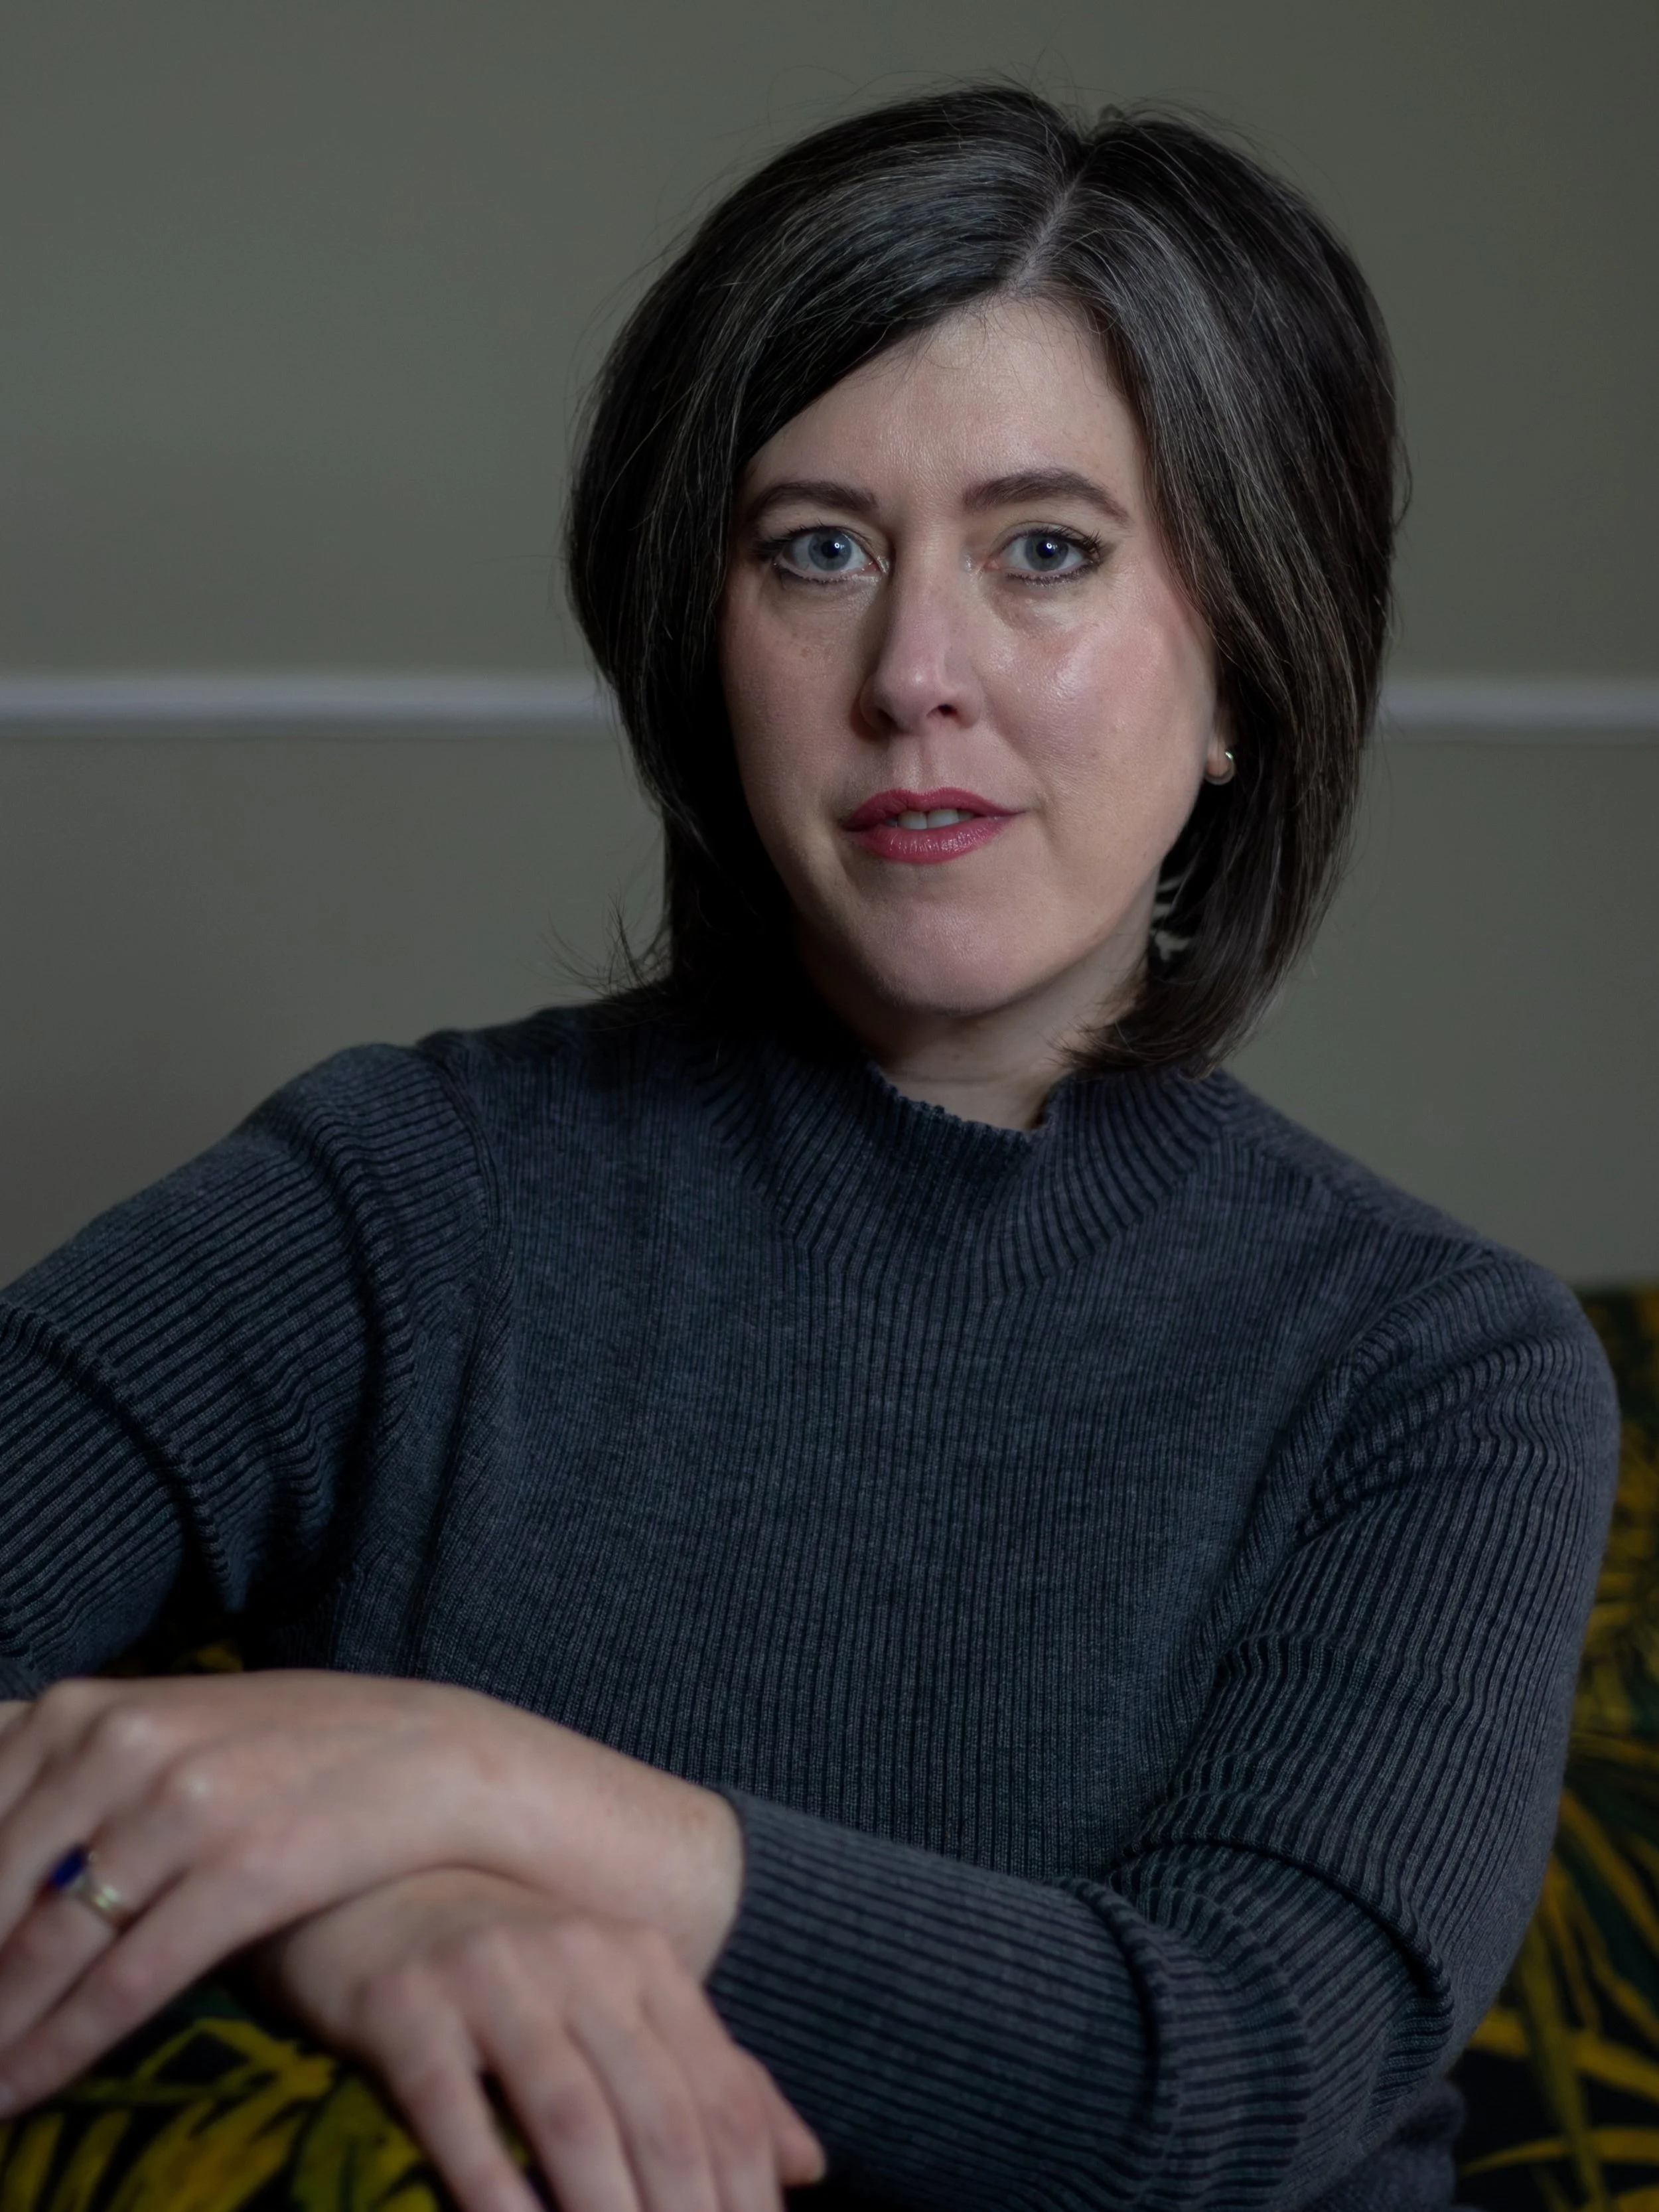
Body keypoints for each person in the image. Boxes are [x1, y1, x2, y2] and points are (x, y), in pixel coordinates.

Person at [0, 83, 1618, 2212]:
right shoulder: (405, 1196)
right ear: (708, 638)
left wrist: (480, 1788)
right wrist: (370, 1913)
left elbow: (1221, 2071)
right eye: (816, 549)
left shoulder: (1440, 1370)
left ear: (1240, 668)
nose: (912, 674)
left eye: (1044, 551)